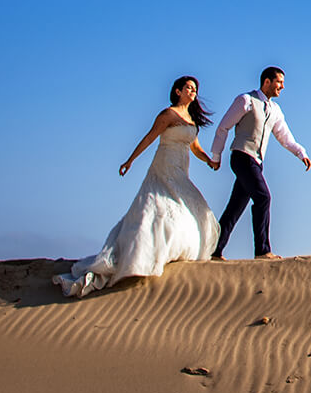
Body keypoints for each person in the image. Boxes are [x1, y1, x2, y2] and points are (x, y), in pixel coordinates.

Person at [55, 76, 221, 297]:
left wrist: (208, 160)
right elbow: (150, 137)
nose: (193, 92)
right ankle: (142, 256)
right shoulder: (168, 114)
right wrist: (130, 160)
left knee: (193, 206)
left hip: (182, 168)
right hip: (165, 165)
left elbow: (195, 147)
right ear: (178, 91)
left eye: (195, 89)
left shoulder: (191, 119)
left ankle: (170, 250)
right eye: (188, 88)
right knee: (159, 206)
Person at [209, 65, 311, 259]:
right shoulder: (246, 100)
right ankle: (262, 250)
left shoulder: (275, 110)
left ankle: (215, 250)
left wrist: (301, 153)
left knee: (235, 207)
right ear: (267, 81)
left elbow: (284, 136)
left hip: (256, 162)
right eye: (279, 82)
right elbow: (223, 127)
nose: (282, 87)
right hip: (241, 156)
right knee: (263, 197)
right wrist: (216, 156)